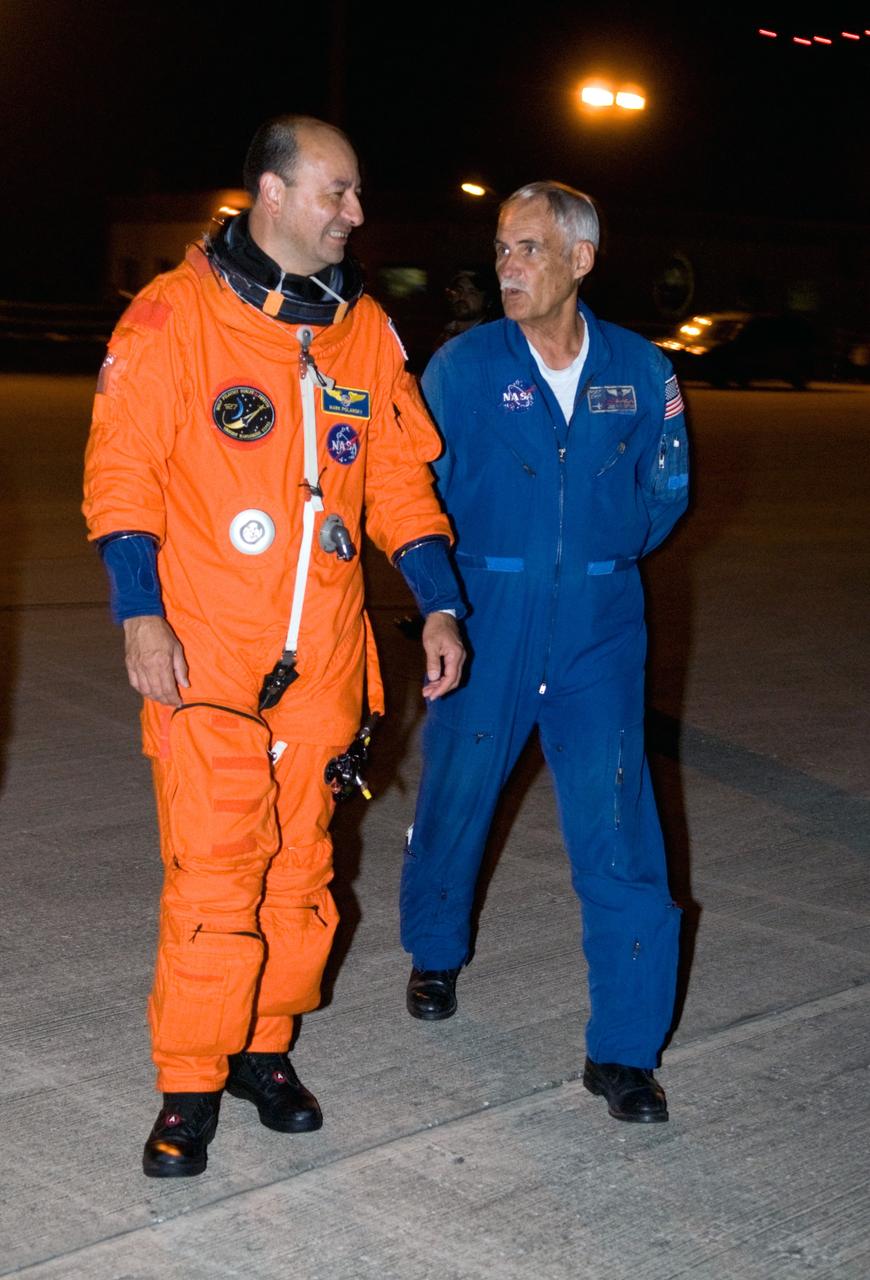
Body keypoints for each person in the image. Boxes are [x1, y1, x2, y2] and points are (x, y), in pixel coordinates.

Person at [83, 114, 465, 1177]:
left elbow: (398, 479)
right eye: (336, 192)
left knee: (301, 870)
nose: (354, 212)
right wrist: (138, 609)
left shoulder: (363, 332)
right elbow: (122, 471)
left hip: (327, 658)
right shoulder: (176, 315)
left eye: (354, 194)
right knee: (214, 870)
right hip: (207, 649)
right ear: (274, 191)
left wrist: (437, 600)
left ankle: (264, 1046)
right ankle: (189, 1081)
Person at [400, 181, 689, 1124]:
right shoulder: (463, 366)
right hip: (488, 613)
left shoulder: (642, 370)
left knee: (619, 830)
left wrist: (594, 558)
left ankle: (624, 1053)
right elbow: (414, 493)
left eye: (527, 249)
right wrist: (449, 598)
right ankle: (435, 950)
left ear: (581, 259)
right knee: (455, 799)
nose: (507, 267)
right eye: (502, 250)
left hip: (600, 628)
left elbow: (665, 492)